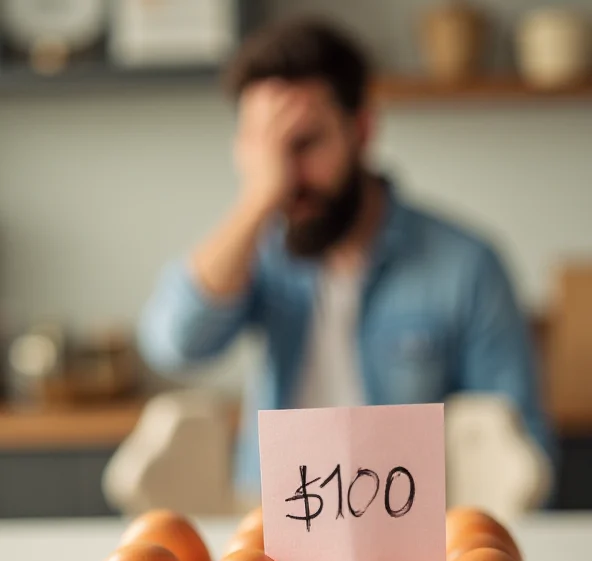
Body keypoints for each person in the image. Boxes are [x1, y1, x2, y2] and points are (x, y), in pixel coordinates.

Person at [139, 18, 553, 499]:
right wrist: (255, 202)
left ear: (361, 129)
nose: (285, 176)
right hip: (277, 531)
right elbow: (175, 343)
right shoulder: (263, 253)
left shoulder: (466, 265)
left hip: (412, 539)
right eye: (265, 149)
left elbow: (522, 448)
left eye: (304, 143)